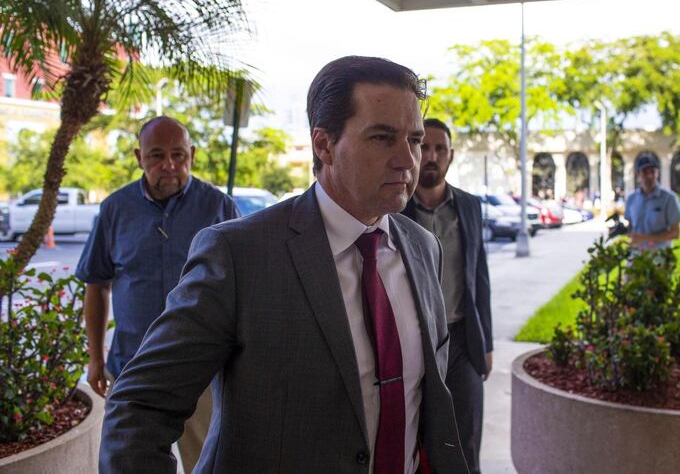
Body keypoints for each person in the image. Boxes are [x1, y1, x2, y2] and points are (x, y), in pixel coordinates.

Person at [99, 56, 469, 473]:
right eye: (383, 138)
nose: (408, 160)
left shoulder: (423, 248)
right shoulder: (239, 255)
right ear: (324, 144)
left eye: (415, 139)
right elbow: (138, 410)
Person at [76, 116, 239, 472]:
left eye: (178, 154)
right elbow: (97, 283)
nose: (169, 165)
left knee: (211, 464)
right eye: (156, 155)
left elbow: (243, 288)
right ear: (138, 157)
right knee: (128, 462)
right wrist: (95, 357)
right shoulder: (115, 210)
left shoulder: (219, 208)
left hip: (204, 367)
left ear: (192, 155)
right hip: (133, 366)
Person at [401, 118, 492, 474]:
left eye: (440, 148)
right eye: (424, 146)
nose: (432, 155)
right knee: (417, 438)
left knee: (467, 437)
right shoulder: (395, 209)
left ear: (451, 156)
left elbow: (479, 276)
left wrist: (485, 342)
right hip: (414, 342)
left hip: (463, 341)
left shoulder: (470, 206)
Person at [624, 154, 680, 251]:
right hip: (635, 257)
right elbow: (631, 228)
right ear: (638, 174)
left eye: (653, 171)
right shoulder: (631, 199)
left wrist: (646, 238)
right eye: (645, 172)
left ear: (657, 173)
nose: (649, 176)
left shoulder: (669, 198)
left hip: (659, 257)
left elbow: (675, 233)